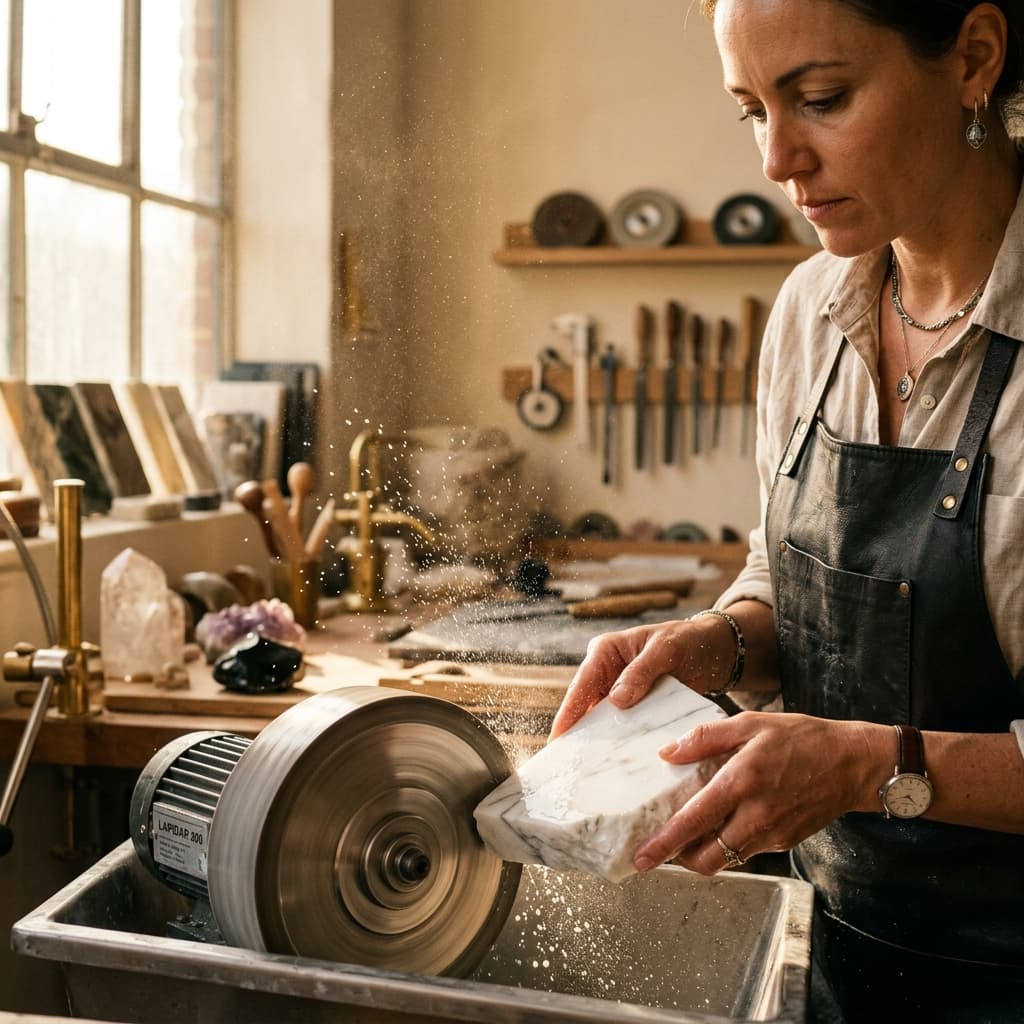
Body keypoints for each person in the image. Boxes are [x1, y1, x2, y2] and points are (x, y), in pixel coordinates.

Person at [549, 2, 1024, 1019]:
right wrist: (718, 642)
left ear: (973, 59)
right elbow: (782, 578)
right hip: (837, 944)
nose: (776, 160)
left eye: (821, 98)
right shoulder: (809, 311)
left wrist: (861, 764)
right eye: (750, 111)